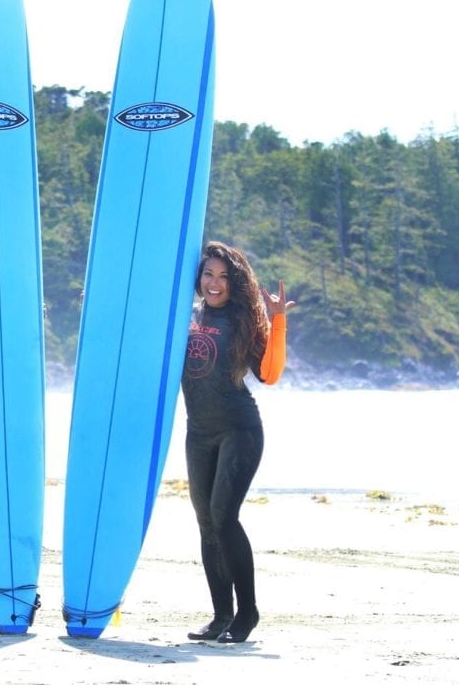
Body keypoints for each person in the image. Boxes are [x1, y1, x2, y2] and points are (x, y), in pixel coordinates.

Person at [181, 241, 293, 644]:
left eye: (223, 276)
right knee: (206, 523)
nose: (214, 283)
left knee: (224, 516)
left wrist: (277, 320)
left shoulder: (243, 317)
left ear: (235, 282)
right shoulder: (184, 316)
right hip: (198, 432)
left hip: (239, 430)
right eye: (208, 274)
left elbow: (270, 374)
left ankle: (247, 613)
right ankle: (220, 616)